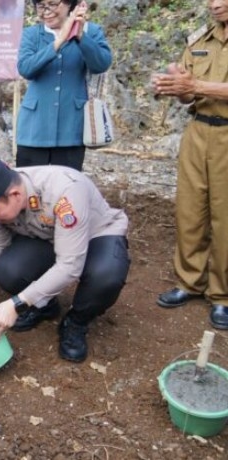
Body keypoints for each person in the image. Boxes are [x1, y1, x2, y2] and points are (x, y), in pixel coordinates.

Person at [0, 157, 130, 362]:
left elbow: (69, 266)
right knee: (8, 270)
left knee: (106, 275)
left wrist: (17, 304)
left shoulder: (65, 192)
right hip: (50, 238)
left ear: (15, 195)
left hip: (96, 235)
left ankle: (77, 321)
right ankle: (44, 307)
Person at [152, 2, 228, 329]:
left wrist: (195, 86)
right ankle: (189, 282)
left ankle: (222, 295)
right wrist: (175, 86)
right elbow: (187, 94)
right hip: (197, 131)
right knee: (190, 209)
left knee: (225, 215)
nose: (214, 3)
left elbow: (197, 87)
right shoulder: (200, 40)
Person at [15, 0, 111, 171]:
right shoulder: (32, 34)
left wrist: (80, 36)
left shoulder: (91, 31)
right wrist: (58, 41)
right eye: (41, 5)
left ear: (70, 5)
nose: (46, 11)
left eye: (52, 4)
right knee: (30, 188)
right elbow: (26, 68)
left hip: (71, 127)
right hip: (34, 128)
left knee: (66, 189)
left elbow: (101, 64)